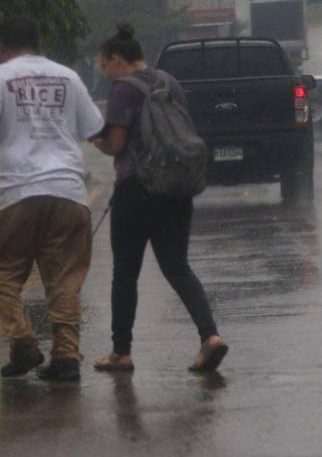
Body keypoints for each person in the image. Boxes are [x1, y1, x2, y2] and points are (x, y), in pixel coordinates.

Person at [92, 23, 228, 372]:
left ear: (117, 58)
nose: (106, 73)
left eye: (105, 65)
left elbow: (117, 144)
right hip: (175, 187)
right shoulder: (169, 82)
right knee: (177, 266)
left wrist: (98, 141)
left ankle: (121, 352)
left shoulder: (123, 89)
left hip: (136, 189)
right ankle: (210, 335)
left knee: (125, 272)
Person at [0, 16, 104, 381]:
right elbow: (93, 129)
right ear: (38, 42)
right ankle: (65, 356)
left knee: (5, 275)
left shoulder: (0, 78)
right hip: (69, 193)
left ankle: (25, 343)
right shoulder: (69, 77)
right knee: (65, 281)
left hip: (17, 194)